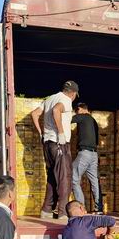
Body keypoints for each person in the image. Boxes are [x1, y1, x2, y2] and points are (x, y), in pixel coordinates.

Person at [30, 80, 79, 220]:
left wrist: (41, 133)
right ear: (73, 93)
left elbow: (34, 114)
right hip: (59, 143)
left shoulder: (49, 98)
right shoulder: (66, 100)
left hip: (48, 143)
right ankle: (63, 212)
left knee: (52, 177)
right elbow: (56, 110)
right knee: (64, 178)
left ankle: (46, 210)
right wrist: (61, 133)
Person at [71, 103, 102, 213]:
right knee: (94, 182)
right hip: (94, 154)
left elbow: (68, 119)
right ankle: (99, 208)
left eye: (76, 112)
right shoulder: (94, 121)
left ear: (80, 109)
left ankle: (81, 207)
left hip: (84, 153)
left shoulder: (83, 116)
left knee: (73, 178)